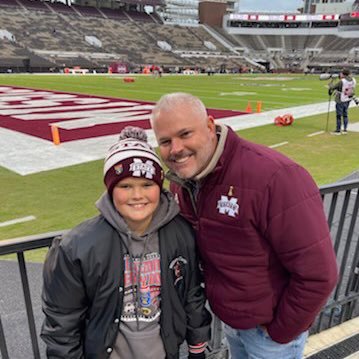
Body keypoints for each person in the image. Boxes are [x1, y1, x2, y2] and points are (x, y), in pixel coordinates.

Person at [151, 93, 338, 359]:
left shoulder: (275, 176)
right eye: (166, 141)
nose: (176, 148)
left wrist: (280, 332)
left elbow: (320, 274)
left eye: (185, 134)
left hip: (270, 334)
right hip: (233, 322)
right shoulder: (185, 182)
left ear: (209, 126)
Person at [41, 126, 211, 359]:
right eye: (125, 186)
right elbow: (63, 322)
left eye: (147, 185)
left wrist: (197, 348)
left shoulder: (180, 233)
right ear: (110, 189)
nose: (137, 195)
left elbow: (192, 294)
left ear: (159, 186)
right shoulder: (76, 246)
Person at [329, 68, 356, 135]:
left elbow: (333, 87)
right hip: (348, 99)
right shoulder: (353, 80)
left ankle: (338, 130)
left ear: (343, 74)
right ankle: (345, 130)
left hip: (340, 99)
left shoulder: (342, 81)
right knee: (345, 115)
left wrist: (331, 82)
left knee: (338, 115)